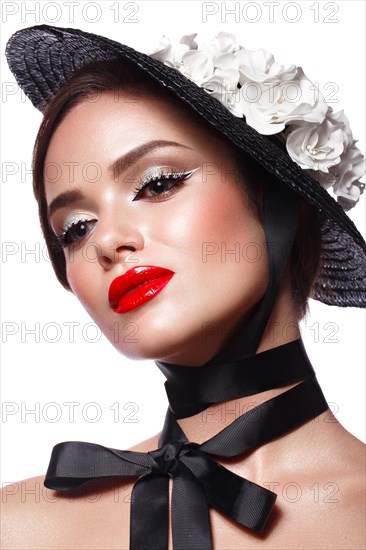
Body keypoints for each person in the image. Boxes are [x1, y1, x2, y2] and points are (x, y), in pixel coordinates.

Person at [2, 25, 365, 550]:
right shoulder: (17, 528)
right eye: (75, 228)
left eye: (157, 183)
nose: (109, 241)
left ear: (280, 195)